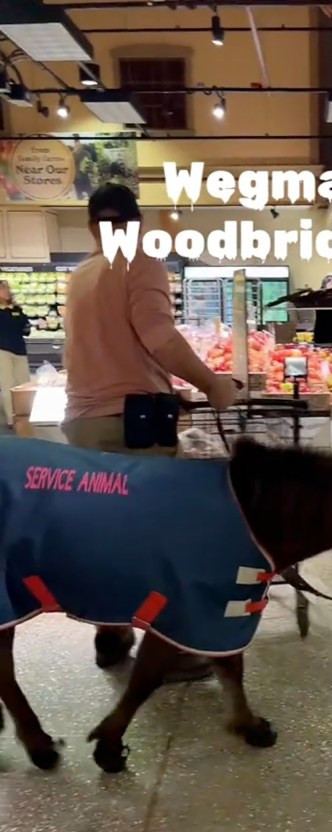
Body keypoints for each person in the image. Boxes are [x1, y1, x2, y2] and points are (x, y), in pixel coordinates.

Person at [62, 183, 237, 682]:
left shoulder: (82, 274)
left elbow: (115, 350)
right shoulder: (138, 262)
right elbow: (158, 335)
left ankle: (111, 633)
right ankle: (170, 652)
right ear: (136, 224)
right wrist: (211, 384)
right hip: (130, 428)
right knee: (157, 541)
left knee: (108, 537)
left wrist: (163, 388)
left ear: (91, 225)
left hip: (84, 423)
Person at [0, 280, 31, 429]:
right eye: (2, 289)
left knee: (24, 384)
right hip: (2, 350)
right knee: (8, 384)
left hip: (19, 350)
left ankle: (26, 415)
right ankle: (12, 419)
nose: (6, 291)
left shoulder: (17, 308)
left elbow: (26, 328)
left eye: (7, 288)